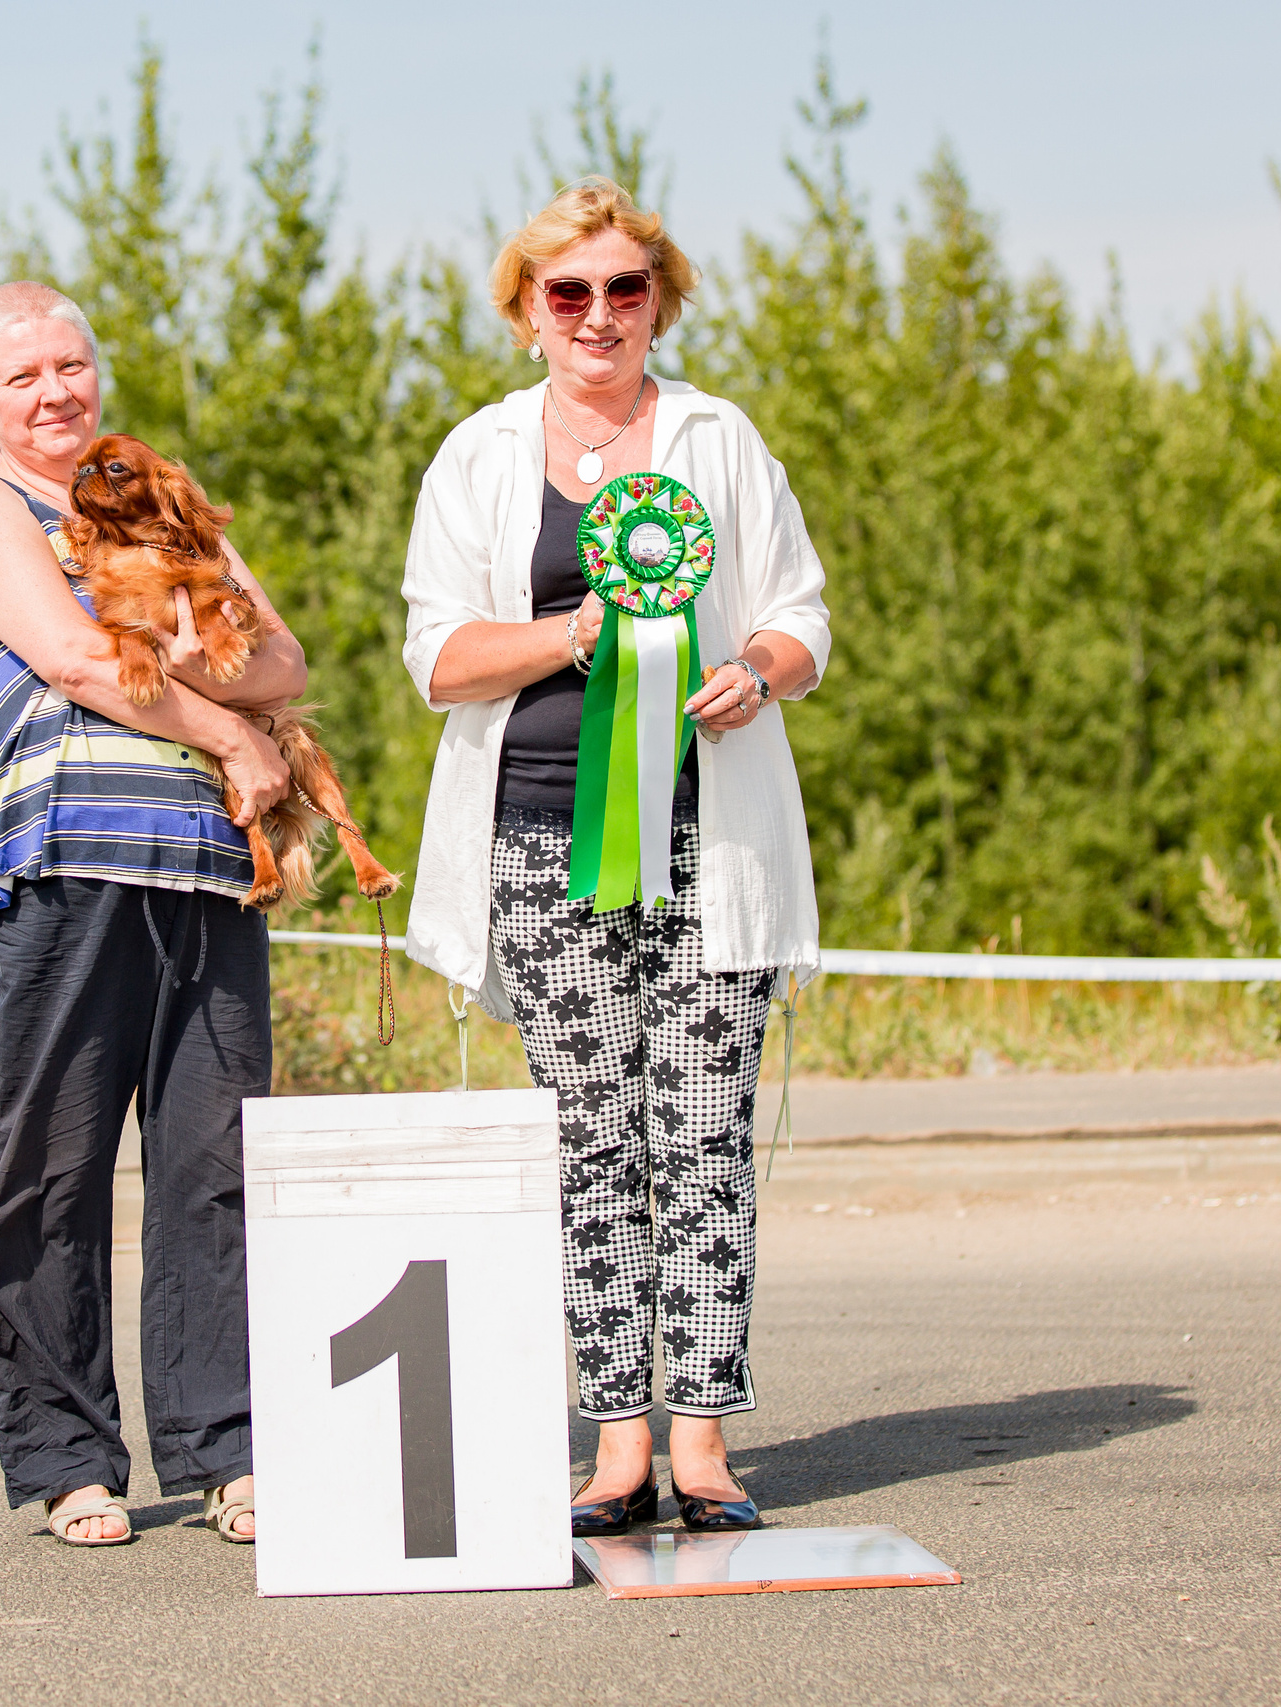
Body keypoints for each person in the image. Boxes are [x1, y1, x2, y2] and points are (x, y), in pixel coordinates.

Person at [399, 180, 831, 1535]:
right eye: (568, 292)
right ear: (526, 309)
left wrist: (759, 668)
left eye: (624, 290)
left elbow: (801, 617)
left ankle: (703, 1442)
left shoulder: (719, 436)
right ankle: (616, 1441)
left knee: (704, 1132)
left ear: (662, 303)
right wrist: (585, 627)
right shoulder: (477, 455)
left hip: (717, 837)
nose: (597, 314)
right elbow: (440, 657)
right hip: (542, 841)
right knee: (594, 1140)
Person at [0, 281, 301, 1547]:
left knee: (214, 1168)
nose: (53, 392)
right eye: (23, 375)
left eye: (70, 367)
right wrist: (233, 734)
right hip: (62, 873)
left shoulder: (158, 497)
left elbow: (286, 659)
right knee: (54, 1169)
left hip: (203, 872)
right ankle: (64, 1457)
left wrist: (192, 631)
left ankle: (225, 1450)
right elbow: (82, 660)